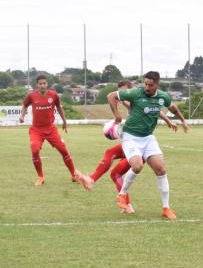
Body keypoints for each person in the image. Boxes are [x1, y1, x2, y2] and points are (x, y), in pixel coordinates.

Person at [85, 79, 178, 215]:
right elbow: (154, 109)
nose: (121, 92)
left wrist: (118, 118)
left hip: (140, 140)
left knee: (117, 168)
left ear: (130, 89)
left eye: (123, 89)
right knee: (112, 159)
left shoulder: (133, 98)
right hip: (132, 138)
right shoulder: (131, 98)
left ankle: (123, 200)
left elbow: (154, 109)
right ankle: (95, 181)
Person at [107, 71, 189, 220]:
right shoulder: (135, 93)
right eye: (145, 84)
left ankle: (166, 208)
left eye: (150, 85)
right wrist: (117, 116)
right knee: (137, 165)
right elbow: (111, 96)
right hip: (130, 137)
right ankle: (122, 195)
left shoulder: (163, 97)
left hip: (148, 138)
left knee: (161, 170)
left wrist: (182, 121)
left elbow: (174, 109)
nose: (146, 87)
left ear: (157, 85)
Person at [19, 74, 91, 187]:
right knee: (34, 150)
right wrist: (22, 116)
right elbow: (24, 106)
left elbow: (59, 107)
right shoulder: (31, 96)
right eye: (40, 84)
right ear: (37, 85)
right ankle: (40, 177)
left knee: (64, 151)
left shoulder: (53, 95)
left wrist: (64, 121)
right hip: (36, 130)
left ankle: (73, 175)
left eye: (44, 83)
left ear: (47, 84)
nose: (42, 85)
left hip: (51, 129)